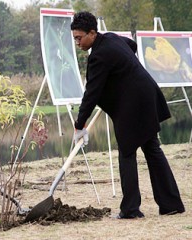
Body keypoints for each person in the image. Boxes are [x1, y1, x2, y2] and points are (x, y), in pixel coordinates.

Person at [71, 12, 185, 219]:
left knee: (127, 150)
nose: (77, 43)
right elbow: (131, 45)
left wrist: (79, 124)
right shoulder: (112, 38)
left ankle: (131, 209)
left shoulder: (98, 56)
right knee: (152, 148)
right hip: (146, 93)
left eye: (79, 38)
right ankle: (170, 204)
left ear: (92, 33)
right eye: (75, 39)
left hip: (133, 103)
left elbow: (91, 93)